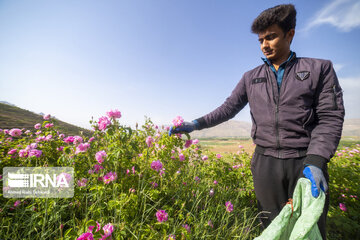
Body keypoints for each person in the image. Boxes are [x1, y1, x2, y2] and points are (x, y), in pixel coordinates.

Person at [169, 4, 344, 239]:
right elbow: (228, 108)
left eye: (271, 37)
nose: (264, 44)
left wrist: (316, 161)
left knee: (307, 228)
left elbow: (330, 117)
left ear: (290, 34)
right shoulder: (251, 77)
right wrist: (196, 124)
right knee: (271, 228)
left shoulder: (318, 69)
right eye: (261, 39)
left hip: (304, 162)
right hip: (265, 164)